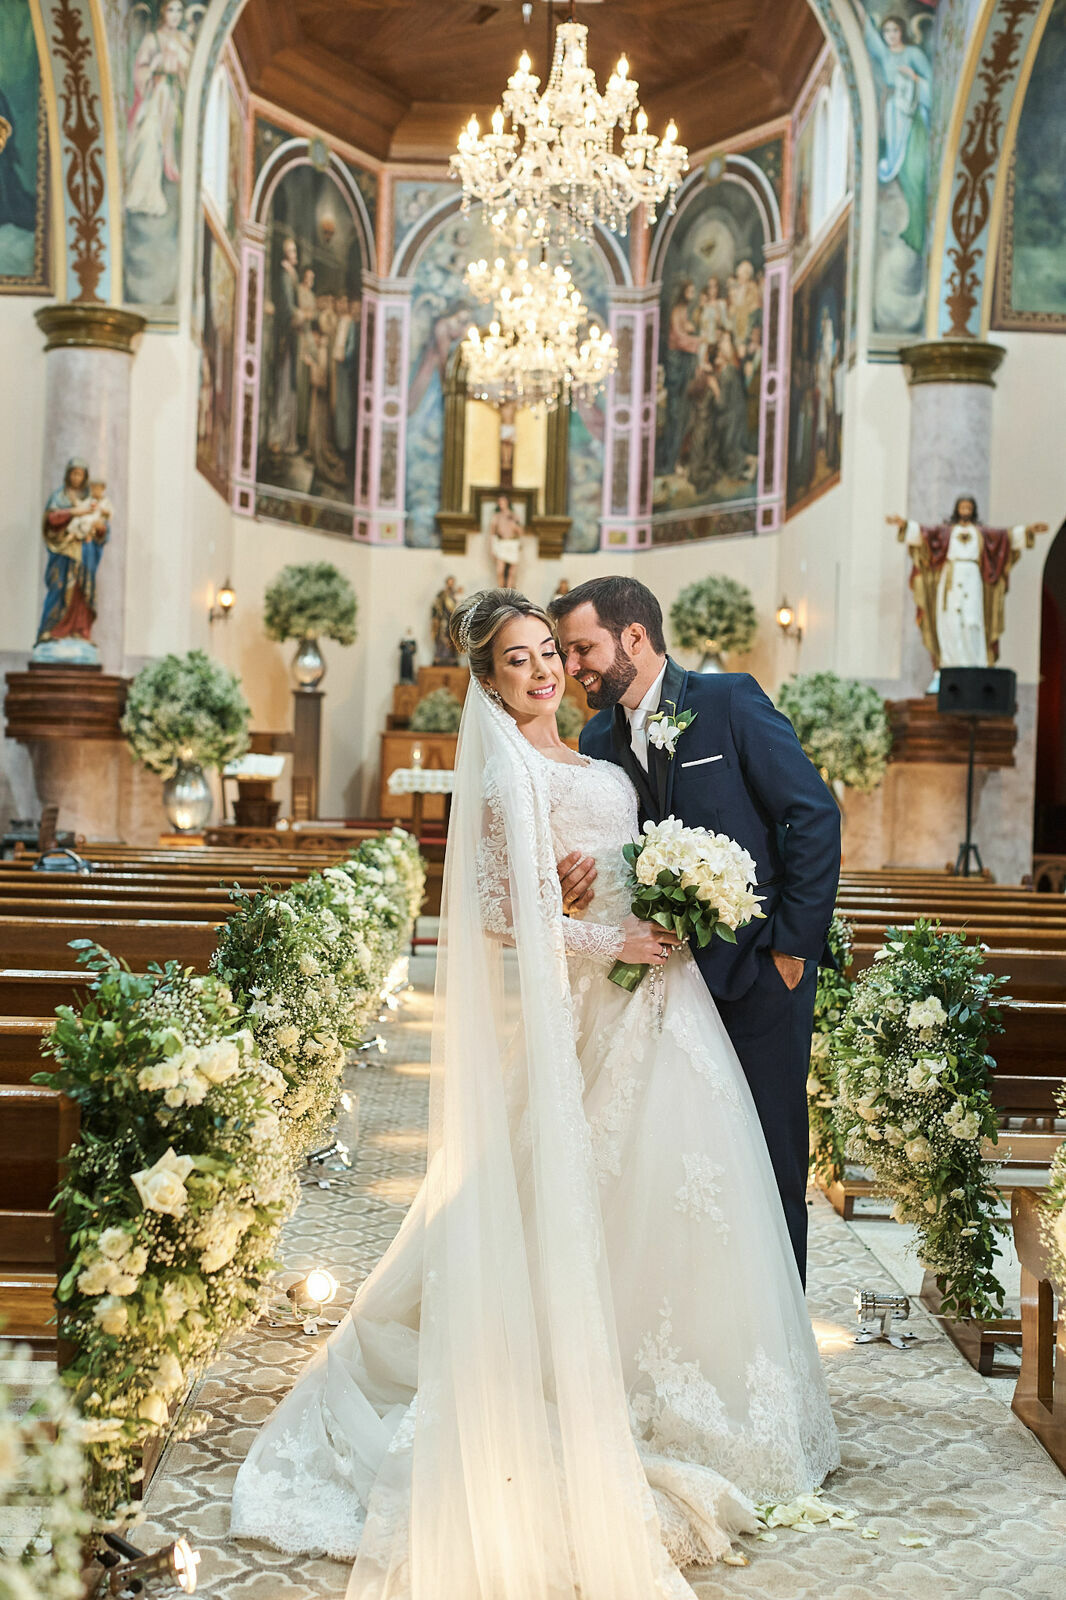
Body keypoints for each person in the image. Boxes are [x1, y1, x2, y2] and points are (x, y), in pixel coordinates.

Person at [232, 586, 839, 1595]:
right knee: (597, 1184)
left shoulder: (619, 738)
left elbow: (751, 823)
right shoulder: (511, 763)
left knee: (711, 1190)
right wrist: (614, 932)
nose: (548, 668)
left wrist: (721, 924)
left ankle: (734, 1396)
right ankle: (603, 1391)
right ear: (486, 680)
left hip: (679, 993)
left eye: (554, 650)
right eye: (519, 659)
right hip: (612, 989)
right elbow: (505, 916)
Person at [551, 577, 842, 1281]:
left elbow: (813, 815)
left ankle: (781, 1343)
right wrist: (572, 890)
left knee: (770, 1163)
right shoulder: (597, 735)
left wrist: (791, 952)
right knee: (684, 1169)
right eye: (564, 653)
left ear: (634, 637)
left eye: (582, 648)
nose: (571, 667)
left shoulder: (728, 701)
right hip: (660, 990)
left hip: (757, 977)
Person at [887, 497, 1048, 688]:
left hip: (973, 579)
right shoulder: (947, 532)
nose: (965, 510)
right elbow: (926, 535)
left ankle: (975, 667)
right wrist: (904, 525)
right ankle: (946, 669)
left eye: (969, 507)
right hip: (951, 581)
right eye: (962, 507)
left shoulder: (981, 533)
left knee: (973, 621)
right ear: (957, 509)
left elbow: (1003, 537)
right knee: (950, 623)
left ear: (973, 510)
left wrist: (1028, 530)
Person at [124, 0, 194, 218]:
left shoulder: (184, 41)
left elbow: (193, 77)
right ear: (163, 12)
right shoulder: (151, 39)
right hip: (156, 95)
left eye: (179, 10)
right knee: (148, 137)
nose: (175, 15)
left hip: (174, 99)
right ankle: (143, 193)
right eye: (171, 10)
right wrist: (155, 64)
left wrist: (181, 63)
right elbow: (140, 71)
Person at [35, 460, 110, 650]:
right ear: (68, 474)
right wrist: (73, 512)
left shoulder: (91, 499)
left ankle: (80, 630)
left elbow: (103, 528)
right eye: (74, 473)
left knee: (81, 592)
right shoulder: (58, 497)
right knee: (59, 587)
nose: (76, 478)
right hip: (63, 552)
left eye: (80, 474)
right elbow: (51, 519)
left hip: (85, 553)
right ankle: (50, 630)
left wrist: (100, 528)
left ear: (85, 477)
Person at [488, 493, 524, 586]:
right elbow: (492, 533)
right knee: (500, 570)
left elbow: (520, 532)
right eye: (499, 501)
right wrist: (492, 547)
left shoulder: (514, 516)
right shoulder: (496, 516)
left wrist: (514, 526)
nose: (501, 503)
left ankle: (508, 590)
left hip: (512, 543)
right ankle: (501, 590)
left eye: (503, 501)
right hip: (502, 543)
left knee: (512, 572)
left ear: (507, 502)